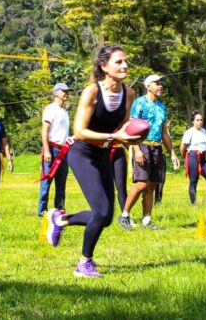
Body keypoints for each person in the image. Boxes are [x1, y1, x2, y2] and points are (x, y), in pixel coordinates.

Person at [45, 45, 141, 278]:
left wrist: (136, 139)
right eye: (118, 62)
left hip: (104, 154)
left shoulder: (128, 93)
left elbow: (123, 127)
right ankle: (84, 263)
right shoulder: (92, 92)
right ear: (104, 66)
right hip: (82, 153)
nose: (125, 66)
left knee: (106, 217)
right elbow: (79, 131)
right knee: (101, 211)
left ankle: (61, 219)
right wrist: (114, 137)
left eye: (125, 61)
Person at [118, 74, 180, 231]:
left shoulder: (161, 107)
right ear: (148, 86)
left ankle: (147, 220)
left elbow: (164, 132)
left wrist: (172, 152)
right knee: (141, 183)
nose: (160, 86)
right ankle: (124, 215)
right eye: (157, 83)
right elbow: (131, 127)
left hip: (157, 147)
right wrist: (136, 149)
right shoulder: (139, 103)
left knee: (152, 185)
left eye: (161, 84)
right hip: (143, 146)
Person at [37, 83, 71, 217]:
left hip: (64, 151)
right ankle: (42, 212)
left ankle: (60, 210)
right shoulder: (50, 109)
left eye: (67, 91)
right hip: (52, 149)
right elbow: (44, 129)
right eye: (64, 91)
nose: (66, 93)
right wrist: (47, 150)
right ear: (56, 93)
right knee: (46, 182)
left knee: (61, 183)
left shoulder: (64, 112)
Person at [181, 112, 206, 205]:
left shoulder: (204, 131)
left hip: (203, 158)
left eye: (201, 120)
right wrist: (185, 158)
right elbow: (182, 147)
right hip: (192, 156)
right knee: (193, 181)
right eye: (197, 120)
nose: (200, 122)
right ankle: (193, 204)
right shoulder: (189, 132)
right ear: (193, 121)